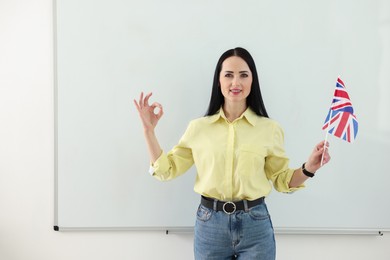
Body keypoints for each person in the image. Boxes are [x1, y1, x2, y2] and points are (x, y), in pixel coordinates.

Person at [134, 47, 330, 260]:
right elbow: (166, 171)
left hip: (255, 225)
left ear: (252, 81)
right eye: (228, 75)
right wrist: (149, 131)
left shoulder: (269, 129)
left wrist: (309, 168)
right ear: (218, 81)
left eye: (243, 75)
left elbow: (282, 180)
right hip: (210, 227)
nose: (236, 83)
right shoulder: (198, 128)